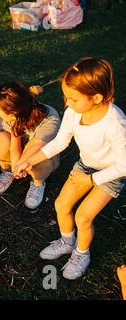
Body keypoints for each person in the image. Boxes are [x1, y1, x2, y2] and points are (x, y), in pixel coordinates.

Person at [14, 58, 126, 280]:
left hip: (111, 172)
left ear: (96, 98)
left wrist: (92, 180)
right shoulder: (74, 112)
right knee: (61, 205)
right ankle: (67, 242)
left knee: (83, 217)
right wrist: (30, 161)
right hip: (85, 165)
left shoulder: (115, 123)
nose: (67, 103)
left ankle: (81, 253)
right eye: (67, 96)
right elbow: (59, 142)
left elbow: (124, 165)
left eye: (73, 98)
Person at [0, 81, 61, 210]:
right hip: (18, 157)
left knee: (41, 158)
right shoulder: (2, 117)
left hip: (41, 159)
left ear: (13, 115)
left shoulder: (49, 120)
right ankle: (7, 170)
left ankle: (38, 183)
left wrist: (15, 132)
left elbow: (20, 163)